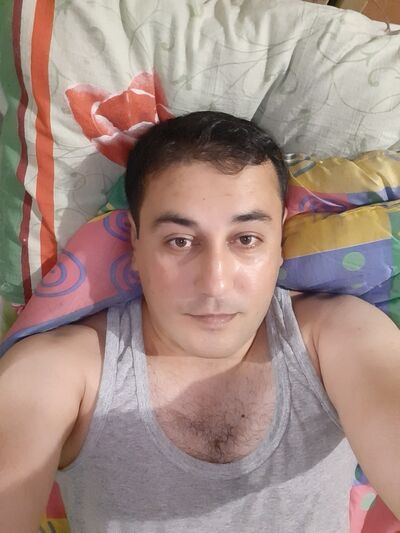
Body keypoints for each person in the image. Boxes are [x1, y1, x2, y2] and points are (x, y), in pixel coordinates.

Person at [0, 111, 399, 533]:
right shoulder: (60, 372)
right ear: (135, 241)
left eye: (246, 239)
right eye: (180, 241)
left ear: (279, 239)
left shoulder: (340, 337)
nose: (215, 283)